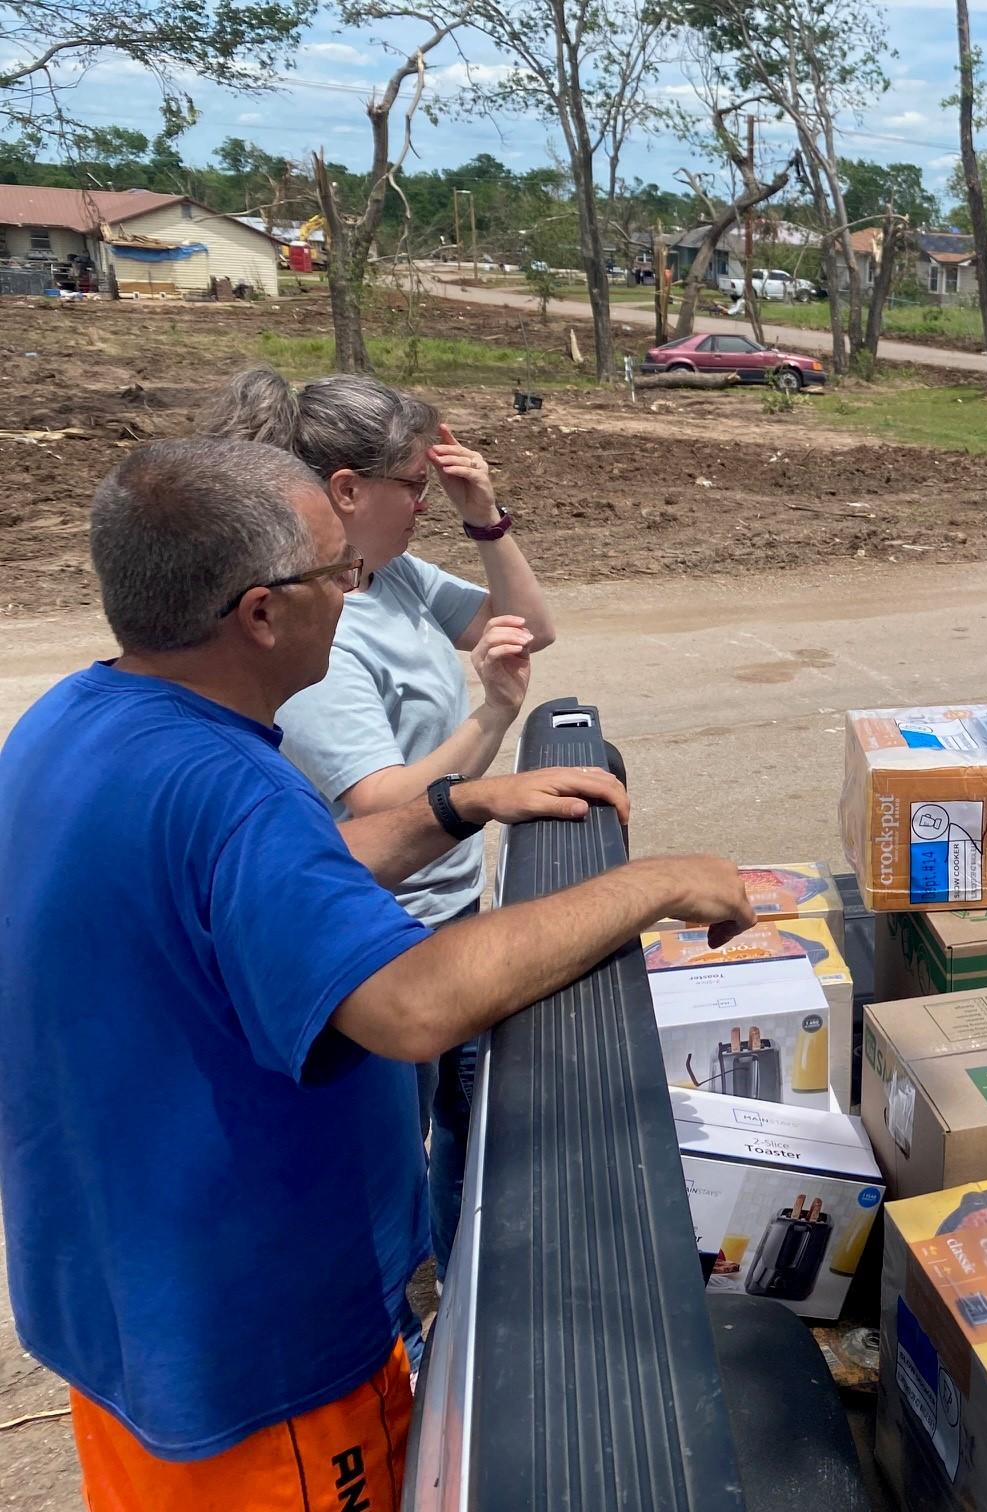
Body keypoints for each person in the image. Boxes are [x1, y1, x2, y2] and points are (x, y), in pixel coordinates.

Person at [0, 437, 753, 1511]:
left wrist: (453, 807)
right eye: (337, 575)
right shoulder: (229, 787)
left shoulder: (76, 721)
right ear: (261, 613)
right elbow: (411, 1005)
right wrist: (657, 883)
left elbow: (257, 886)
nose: (354, 596)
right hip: (261, 1364)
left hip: (122, 1306)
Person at [204, 367, 555, 1271]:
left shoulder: (393, 577)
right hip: (386, 937)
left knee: (467, 1135)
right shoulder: (318, 627)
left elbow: (526, 624)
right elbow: (383, 806)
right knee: (390, 1161)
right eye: (415, 484)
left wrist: (487, 515)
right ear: (348, 492)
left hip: (450, 911)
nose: (424, 503)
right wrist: (491, 718)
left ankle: (454, 1278)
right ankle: (402, 1324)